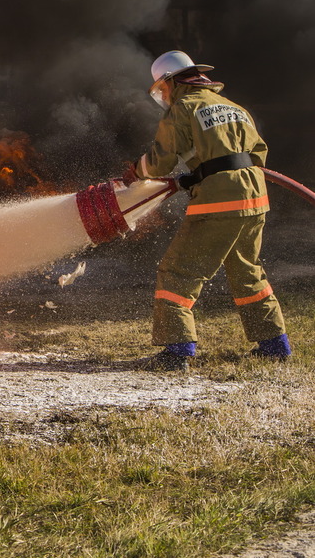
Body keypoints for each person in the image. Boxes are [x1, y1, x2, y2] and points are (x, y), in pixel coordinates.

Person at [123, 50, 290, 370]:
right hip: (255, 199)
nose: (163, 96)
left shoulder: (183, 108)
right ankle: (274, 344)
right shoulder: (234, 107)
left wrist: (136, 170)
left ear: (172, 83)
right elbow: (257, 152)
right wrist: (202, 174)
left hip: (218, 203)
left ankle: (177, 351)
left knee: (178, 272)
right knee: (247, 270)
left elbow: (161, 161)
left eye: (162, 89)